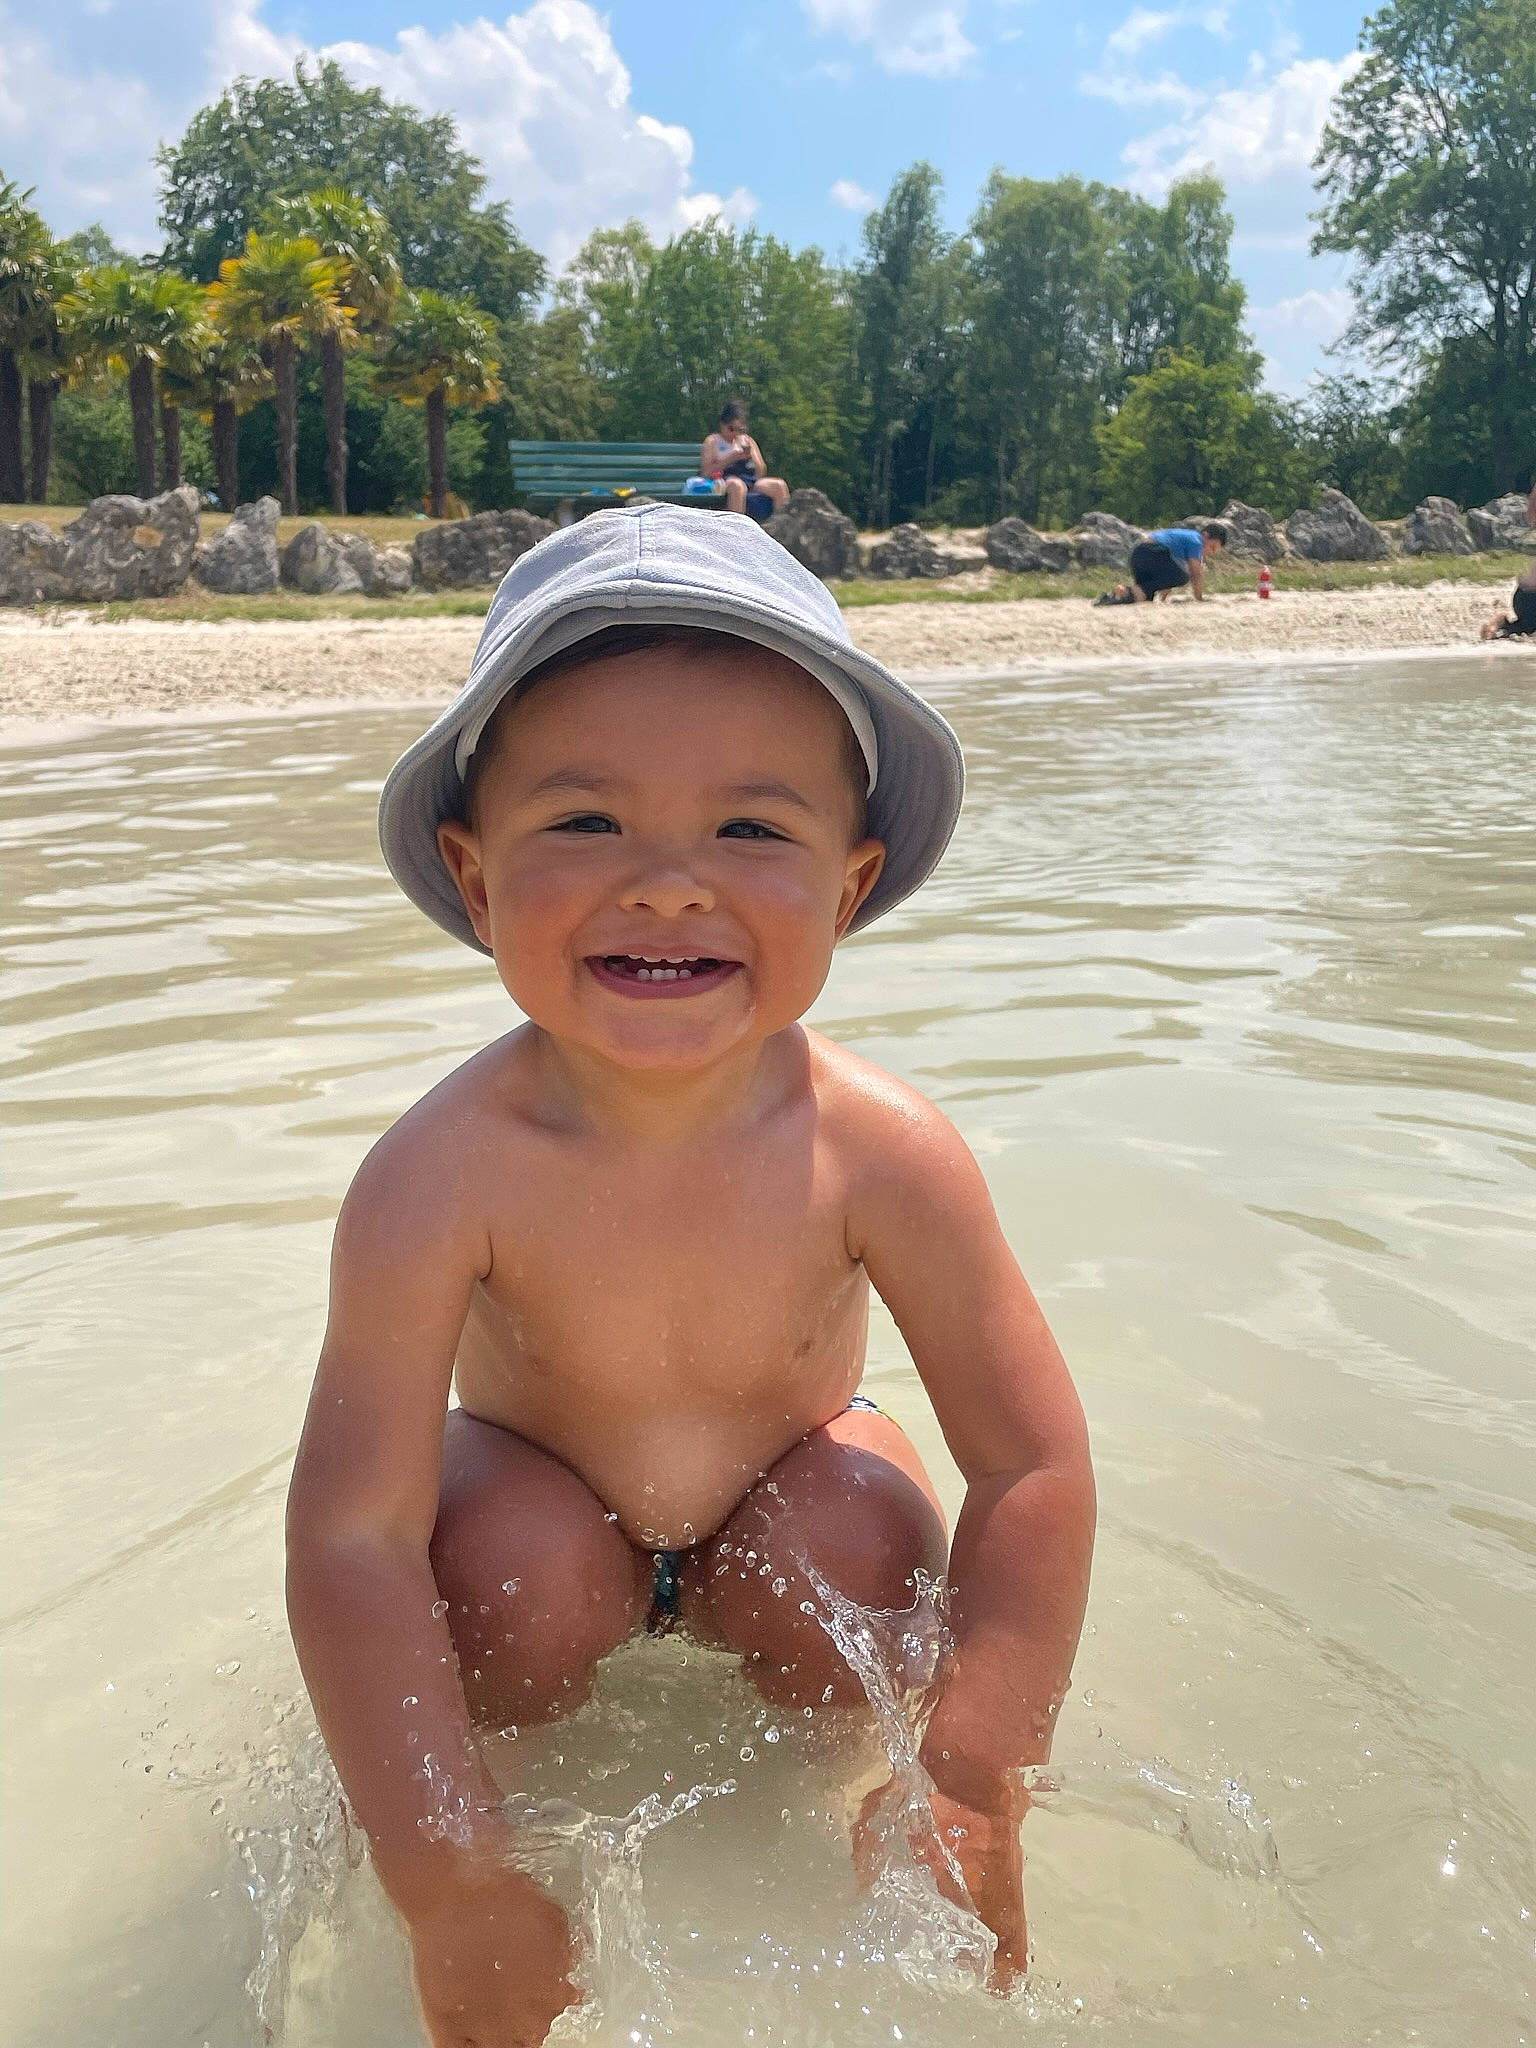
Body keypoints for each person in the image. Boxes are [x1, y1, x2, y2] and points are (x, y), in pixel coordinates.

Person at [286, 504, 1096, 2048]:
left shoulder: (884, 1153)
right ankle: (510, 1803)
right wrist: (445, 1874)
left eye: (752, 829)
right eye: (585, 823)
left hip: (786, 1503)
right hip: (547, 1516)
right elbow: (352, 1536)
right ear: (472, 873)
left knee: (861, 1531)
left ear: (850, 889)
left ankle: (831, 1793)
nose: (667, 883)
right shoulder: (434, 1175)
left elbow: (1034, 1462)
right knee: (501, 1569)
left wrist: (977, 1771)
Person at [1097, 520, 1229, 604]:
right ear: (1205, 535)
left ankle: (1119, 595)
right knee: (1183, 576)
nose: (1209, 552)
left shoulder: (1186, 538)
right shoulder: (1196, 541)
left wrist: (1165, 585)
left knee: (1144, 596)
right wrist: (1199, 598)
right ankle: (1123, 593)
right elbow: (1196, 573)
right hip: (1150, 551)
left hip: (1138, 554)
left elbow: (1168, 568)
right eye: (1212, 547)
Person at [700, 399, 790, 519]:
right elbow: (706, 472)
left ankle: (781, 529)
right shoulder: (713, 441)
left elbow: (761, 471)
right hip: (724, 479)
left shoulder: (747, 440)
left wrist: (751, 455)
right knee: (737, 486)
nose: (735, 433)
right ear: (723, 425)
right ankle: (738, 530)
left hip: (749, 478)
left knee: (779, 485)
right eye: (731, 429)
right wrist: (732, 457)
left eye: (740, 429)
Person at [1479, 485, 1536, 640]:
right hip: (1529, 596)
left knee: (1525, 627)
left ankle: (1503, 622)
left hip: (1525, 596)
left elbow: (1531, 515)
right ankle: (1502, 621)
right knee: (1527, 627)